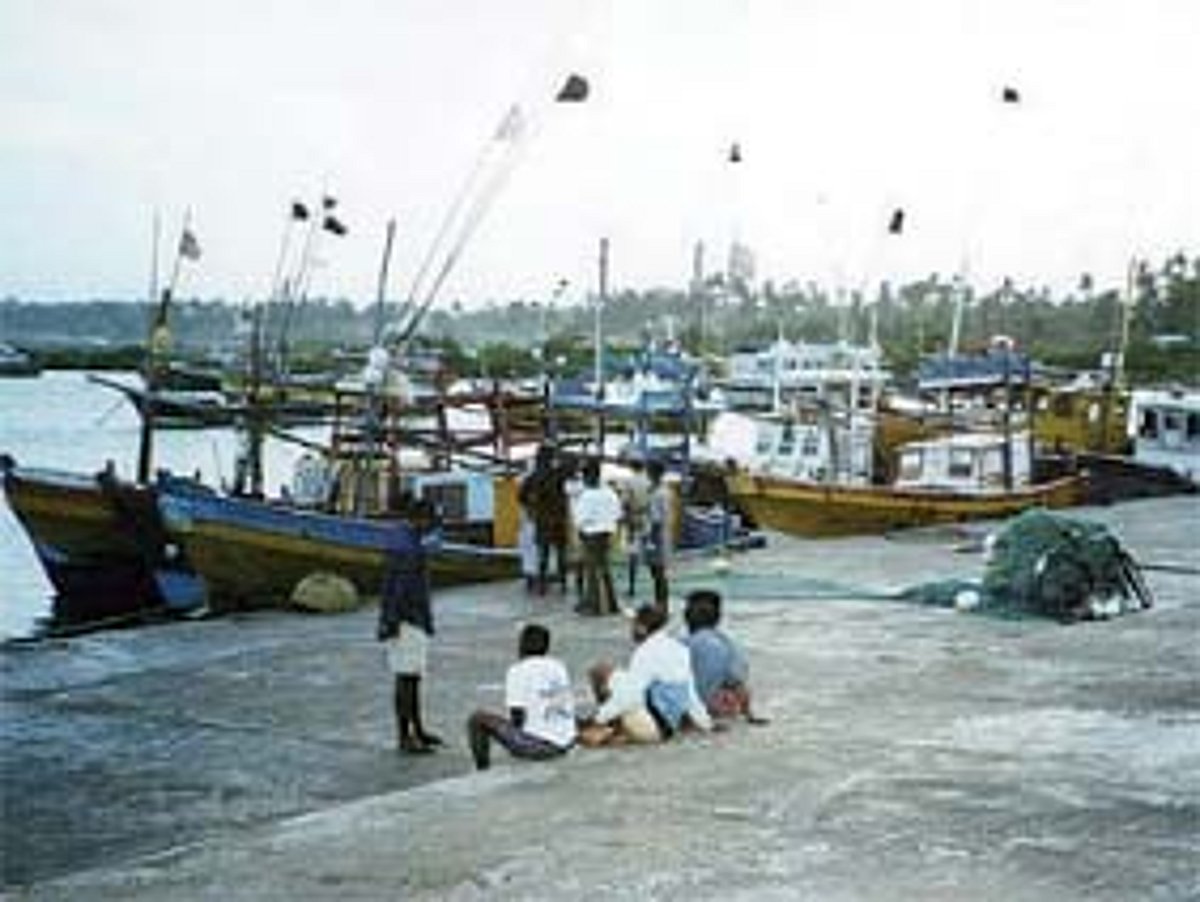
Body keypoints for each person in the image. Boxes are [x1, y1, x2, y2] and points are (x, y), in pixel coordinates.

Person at [581, 604, 712, 745]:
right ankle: (614, 730)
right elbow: (690, 693)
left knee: (600, 672)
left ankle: (611, 728)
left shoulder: (644, 652)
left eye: (633, 624)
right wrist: (705, 722)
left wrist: (597, 719)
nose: (630, 629)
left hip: (652, 727)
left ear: (641, 628)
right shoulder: (681, 649)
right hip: (670, 726)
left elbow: (630, 695)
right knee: (614, 676)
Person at [377, 503, 443, 754]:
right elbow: (400, 591)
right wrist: (392, 623)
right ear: (420, 520)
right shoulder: (410, 549)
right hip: (408, 621)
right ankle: (406, 737)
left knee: (410, 678)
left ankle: (417, 730)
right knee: (407, 680)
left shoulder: (403, 540)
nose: (433, 528)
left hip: (407, 621)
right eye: (431, 522)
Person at [466, 624, 577, 770]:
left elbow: (517, 716)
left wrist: (512, 738)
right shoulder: (558, 666)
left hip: (543, 747)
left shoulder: (517, 670)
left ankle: (482, 770)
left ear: (522, 645)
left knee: (477, 719)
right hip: (568, 741)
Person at [682, 589, 768, 724]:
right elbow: (739, 681)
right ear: (718, 618)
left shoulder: (681, 644)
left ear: (686, 618)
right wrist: (748, 714)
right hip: (724, 707)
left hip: (693, 709)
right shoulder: (730, 644)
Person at [572, 458, 623, 615]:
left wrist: (580, 530)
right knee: (605, 569)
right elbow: (618, 514)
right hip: (607, 534)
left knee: (592, 572)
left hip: (591, 536)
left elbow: (579, 519)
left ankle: (595, 606)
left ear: (588, 477)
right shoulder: (610, 492)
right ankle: (612, 603)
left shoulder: (587, 495)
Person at [519, 445, 570, 595]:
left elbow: (520, 497)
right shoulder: (558, 473)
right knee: (561, 552)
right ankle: (563, 585)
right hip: (559, 518)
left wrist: (531, 508)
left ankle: (542, 586)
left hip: (542, 519)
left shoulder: (533, 477)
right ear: (551, 458)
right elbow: (571, 468)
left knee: (543, 553)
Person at [619, 459, 651, 599]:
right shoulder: (650, 481)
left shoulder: (629, 482)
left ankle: (632, 587)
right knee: (652, 555)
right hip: (648, 519)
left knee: (633, 556)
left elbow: (625, 503)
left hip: (634, 520)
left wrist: (625, 519)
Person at [644, 460, 671, 612]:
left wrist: (651, 539)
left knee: (658, 572)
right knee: (657, 572)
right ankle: (660, 603)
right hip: (659, 532)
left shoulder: (659, 492)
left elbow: (657, 518)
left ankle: (662, 604)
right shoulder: (659, 490)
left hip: (657, 533)